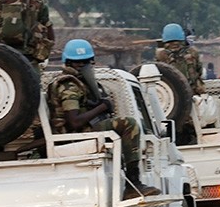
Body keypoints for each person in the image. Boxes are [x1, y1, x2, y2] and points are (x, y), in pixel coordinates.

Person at [48, 39, 160, 198]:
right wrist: (102, 107)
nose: (82, 66)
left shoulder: (81, 83)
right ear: (69, 63)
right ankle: (133, 184)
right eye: (78, 63)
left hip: (85, 130)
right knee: (129, 124)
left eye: (85, 62)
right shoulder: (69, 85)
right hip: (76, 134)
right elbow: (74, 121)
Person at [155, 23, 205, 95]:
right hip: (193, 92)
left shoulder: (160, 54)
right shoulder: (192, 52)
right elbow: (199, 70)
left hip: (170, 95)